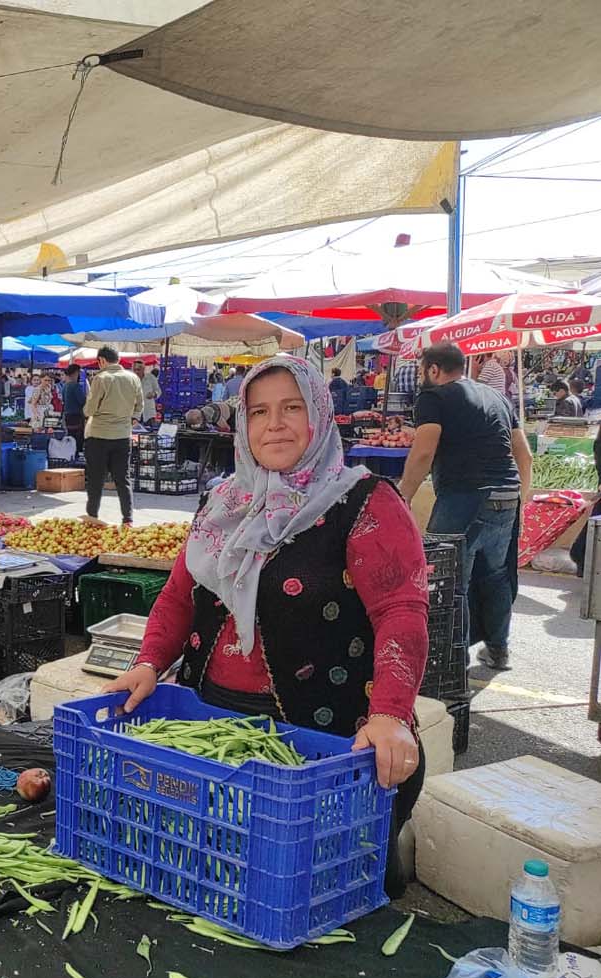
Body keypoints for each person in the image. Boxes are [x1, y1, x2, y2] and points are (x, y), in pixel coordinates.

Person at [106, 354, 428, 894]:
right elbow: (180, 595)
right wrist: (148, 663)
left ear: (319, 414)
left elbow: (402, 611)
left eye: (292, 408)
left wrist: (391, 714)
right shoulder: (223, 501)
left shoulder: (365, 501)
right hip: (213, 723)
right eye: (258, 412)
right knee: (216, 876)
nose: (274, 424)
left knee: (324, 884)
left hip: (325, 738)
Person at [400, 342, 532, 671]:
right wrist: (521, 498)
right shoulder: (498, 397)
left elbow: (424, 451)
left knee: (449, 579)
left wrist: (404, 496)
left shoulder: (433, 398)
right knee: (497, 576)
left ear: (433, 369)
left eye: (421, 370)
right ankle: (498, 650)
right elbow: (525, 455)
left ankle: (452, 663)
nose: (420, 376)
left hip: (464, 497)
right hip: (506, 496)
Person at [83, 347, 143, 526]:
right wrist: (132, 418)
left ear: (102, 360)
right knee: (123, 479)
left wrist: (86, 410)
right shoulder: (133, 378)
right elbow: (139, 406)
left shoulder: (101, 378)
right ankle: (128, 519)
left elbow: (90, 409)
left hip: (99, 435)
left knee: (95, 479)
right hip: (123, 436)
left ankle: (92, 517)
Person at [61, 363, 87, 455]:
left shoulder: (65, 386)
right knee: (78, 439)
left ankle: (70, 455)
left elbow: (63, 400)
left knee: (70, 437)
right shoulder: (76, 386)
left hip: (67, 416)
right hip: (77, 416)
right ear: (75, 373)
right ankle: (77, 456)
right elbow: (82, 401)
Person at [139, 358, 161, 427]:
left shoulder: (151, 378)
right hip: (136, 412)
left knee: (149, 429)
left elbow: (158, 391)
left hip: (149, 412)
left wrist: (154, 394)